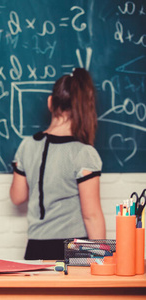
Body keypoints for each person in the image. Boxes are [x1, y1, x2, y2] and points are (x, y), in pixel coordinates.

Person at [9, 68, 106, 260]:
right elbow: (91, 216)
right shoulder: (84, 153)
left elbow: (17, 197)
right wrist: (103, 260)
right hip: (75, 248)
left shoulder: (27, 145)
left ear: (50, 103)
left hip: (35, 246)